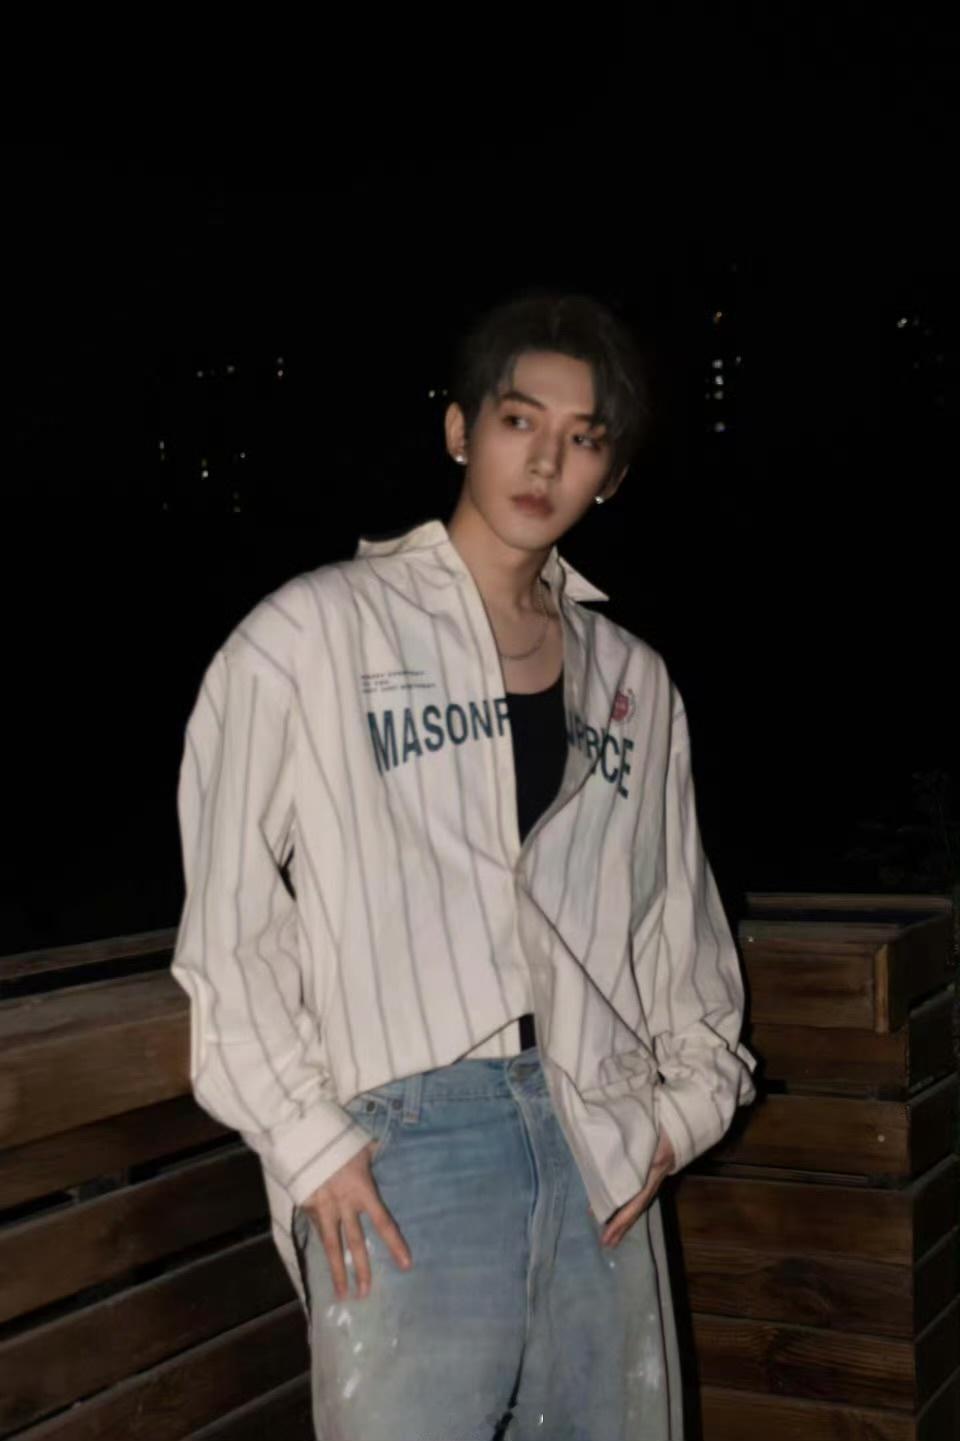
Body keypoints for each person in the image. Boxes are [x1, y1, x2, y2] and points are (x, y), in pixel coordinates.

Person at [171, 291, 756, 1440]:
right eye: (519, 420)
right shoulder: (313, 633)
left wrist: (678, 1117)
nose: (545, 460)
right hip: (405, 1142)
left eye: (583, 438)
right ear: (459, 428)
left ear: (611, 474)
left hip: (598, 1135)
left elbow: (675, 931)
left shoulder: (633, 682)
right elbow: (227, 923)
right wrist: (313, 1145)